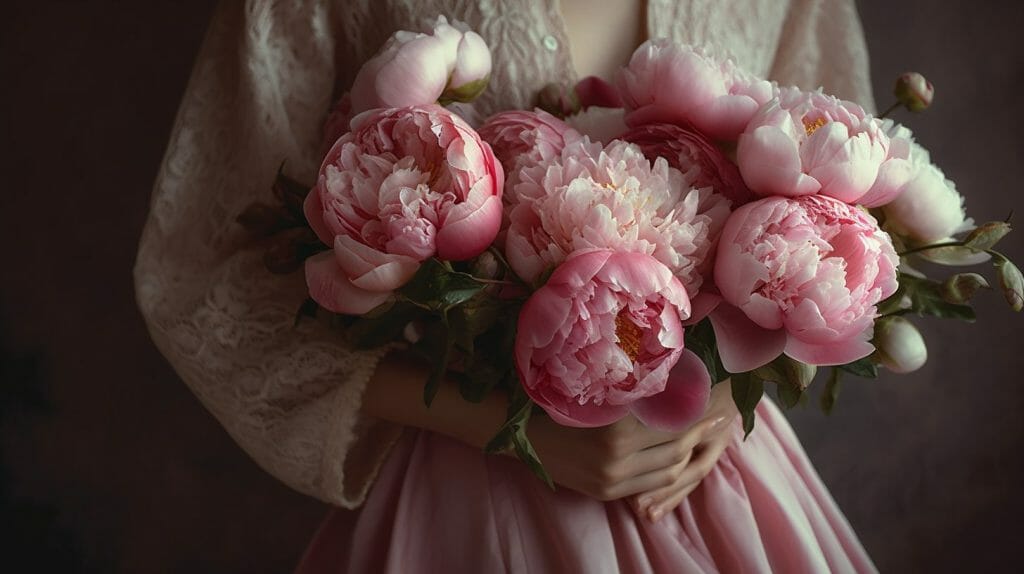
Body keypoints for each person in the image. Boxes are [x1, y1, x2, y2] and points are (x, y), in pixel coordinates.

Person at [134, 0, 878, 571]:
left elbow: (850, 214)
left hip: (709, 483)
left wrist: (725, 396)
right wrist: (499, 425)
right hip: (468, 490)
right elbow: (203, 275)